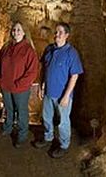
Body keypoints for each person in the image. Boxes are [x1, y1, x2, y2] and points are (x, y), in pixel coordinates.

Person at [33, 22, 83, 158]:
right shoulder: (49, 49)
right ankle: (48, 137)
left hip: (62, 95)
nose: (57, 35)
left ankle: (64, 145)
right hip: (49, 93)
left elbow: (75, 75)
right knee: (47, 117)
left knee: (63, 121)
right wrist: (40, 85)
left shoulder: (71, 53)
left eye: (60, 32)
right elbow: (43, 68)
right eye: (56, 32)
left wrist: (67, 96)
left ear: (67, 35)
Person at [0, 21, 39, 147]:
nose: (16, 32)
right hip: (6, 86)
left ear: (24, 32)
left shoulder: (28, 51)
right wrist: (0, 78)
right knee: (8, 109)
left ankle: (22, 135)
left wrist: (19, 84)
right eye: (14, 29)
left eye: (19, 30)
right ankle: (7, 128)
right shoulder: (6, 47)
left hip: (21, 89)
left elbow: (32, 72)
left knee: (21, 111)